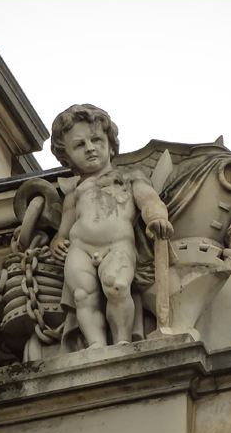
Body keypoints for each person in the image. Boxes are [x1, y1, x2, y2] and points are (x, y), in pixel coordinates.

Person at [49, 104, 172, 348]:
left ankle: (122, 340)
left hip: (117, 245)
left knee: (117, 286)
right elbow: (65, 226)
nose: (90, 148)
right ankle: (95, 345)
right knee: (83, 295)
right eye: (79, 145)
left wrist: (156, 217)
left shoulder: (129, 176)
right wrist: (57, 240)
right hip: (80, 248)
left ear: (111, 143)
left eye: (96, 139)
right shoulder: (75, 191)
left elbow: (148, 199)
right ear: (67, 156)